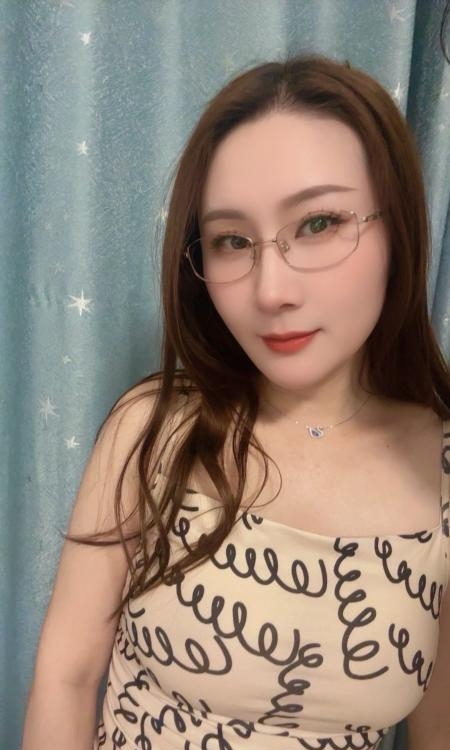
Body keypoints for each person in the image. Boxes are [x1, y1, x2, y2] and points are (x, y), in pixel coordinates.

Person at [22, 53, 450, 750]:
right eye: (230, 240)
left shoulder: (440, 472)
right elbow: (66, 678)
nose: (270, 290)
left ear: (397, 227)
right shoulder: (155, 428)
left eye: (318, 223)